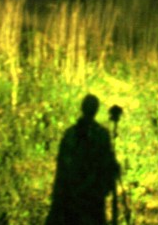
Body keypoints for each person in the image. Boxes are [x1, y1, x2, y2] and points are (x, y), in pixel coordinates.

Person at [45, 94, 120, 225]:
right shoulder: (100, 135)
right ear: (96, 110)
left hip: (76, 198)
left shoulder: (71, 134)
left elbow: (61, 171)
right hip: (87, 199)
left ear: (82, 108)